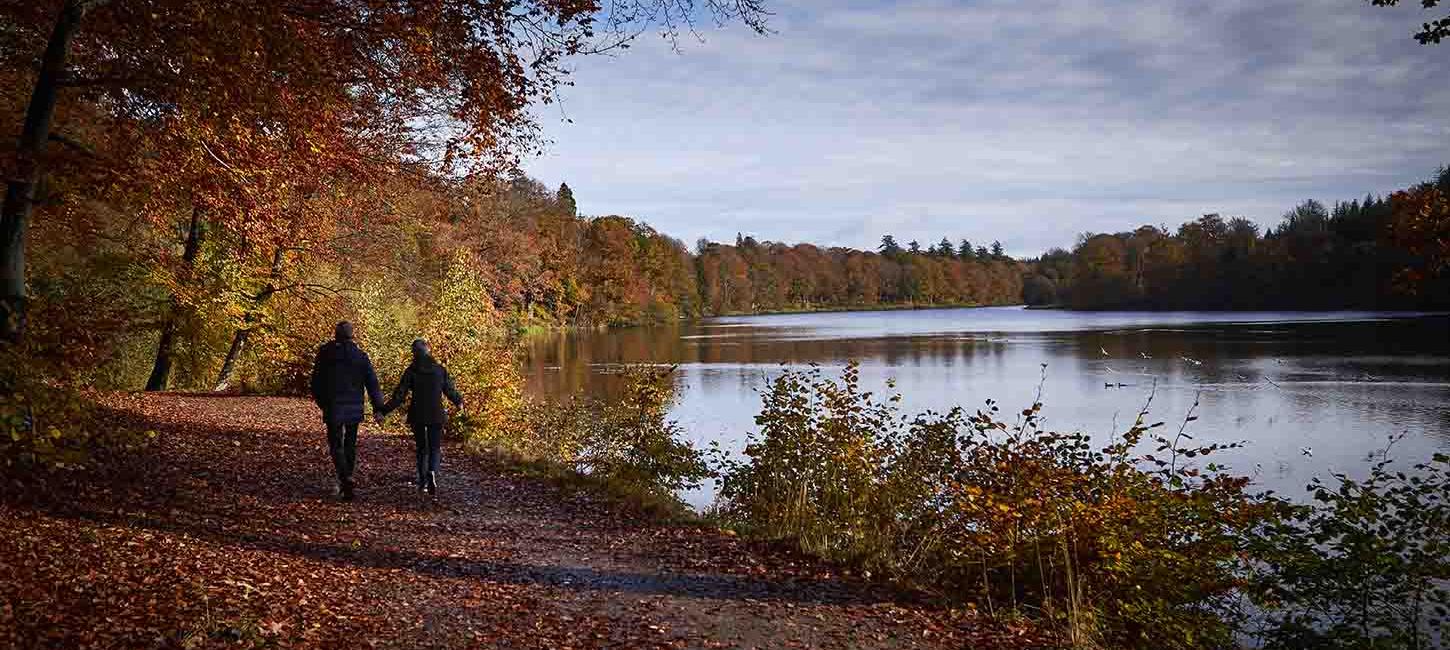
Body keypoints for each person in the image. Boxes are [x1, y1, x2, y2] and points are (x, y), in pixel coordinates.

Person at [309, 321, 385, 501]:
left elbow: (316, 382)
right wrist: (378, 408)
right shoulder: (361, 356)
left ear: (335, 334)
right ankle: (347, 478)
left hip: (334, 405)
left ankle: (345, 478)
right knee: (350, 444)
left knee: (336, 445)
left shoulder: (325, 354)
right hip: (354, 406)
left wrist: (323, 403)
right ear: (352, 336)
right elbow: (372, 383)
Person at [377, 339, 462, 496]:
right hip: (436, 414)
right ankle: (432, 472)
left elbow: (399, 396)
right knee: (435, 448)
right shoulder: (439, 370)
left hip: (417, 414)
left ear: (414, 354)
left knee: (422, 449)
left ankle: (423, 481)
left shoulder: (411, 371)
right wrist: (459, 401)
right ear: (428, 350)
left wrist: (384, 410)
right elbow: (449, 390)